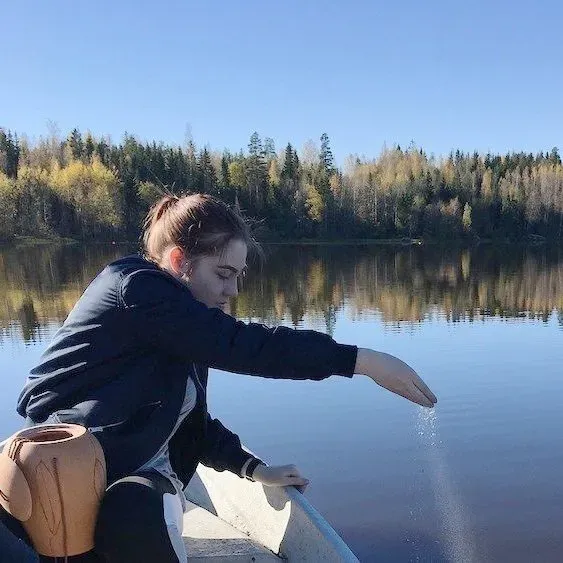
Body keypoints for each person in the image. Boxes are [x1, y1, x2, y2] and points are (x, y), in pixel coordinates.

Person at [2, 193, 437, 562]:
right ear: (178, 261)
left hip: (135, 482)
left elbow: (187, 420)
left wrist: (253, 469)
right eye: (224, 274)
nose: (232, 292)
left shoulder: (183, 323)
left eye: (239, 276)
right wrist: (362, 361)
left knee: (132, 510)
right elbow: (249, 346)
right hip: (57, 474)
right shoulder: (136, 288)